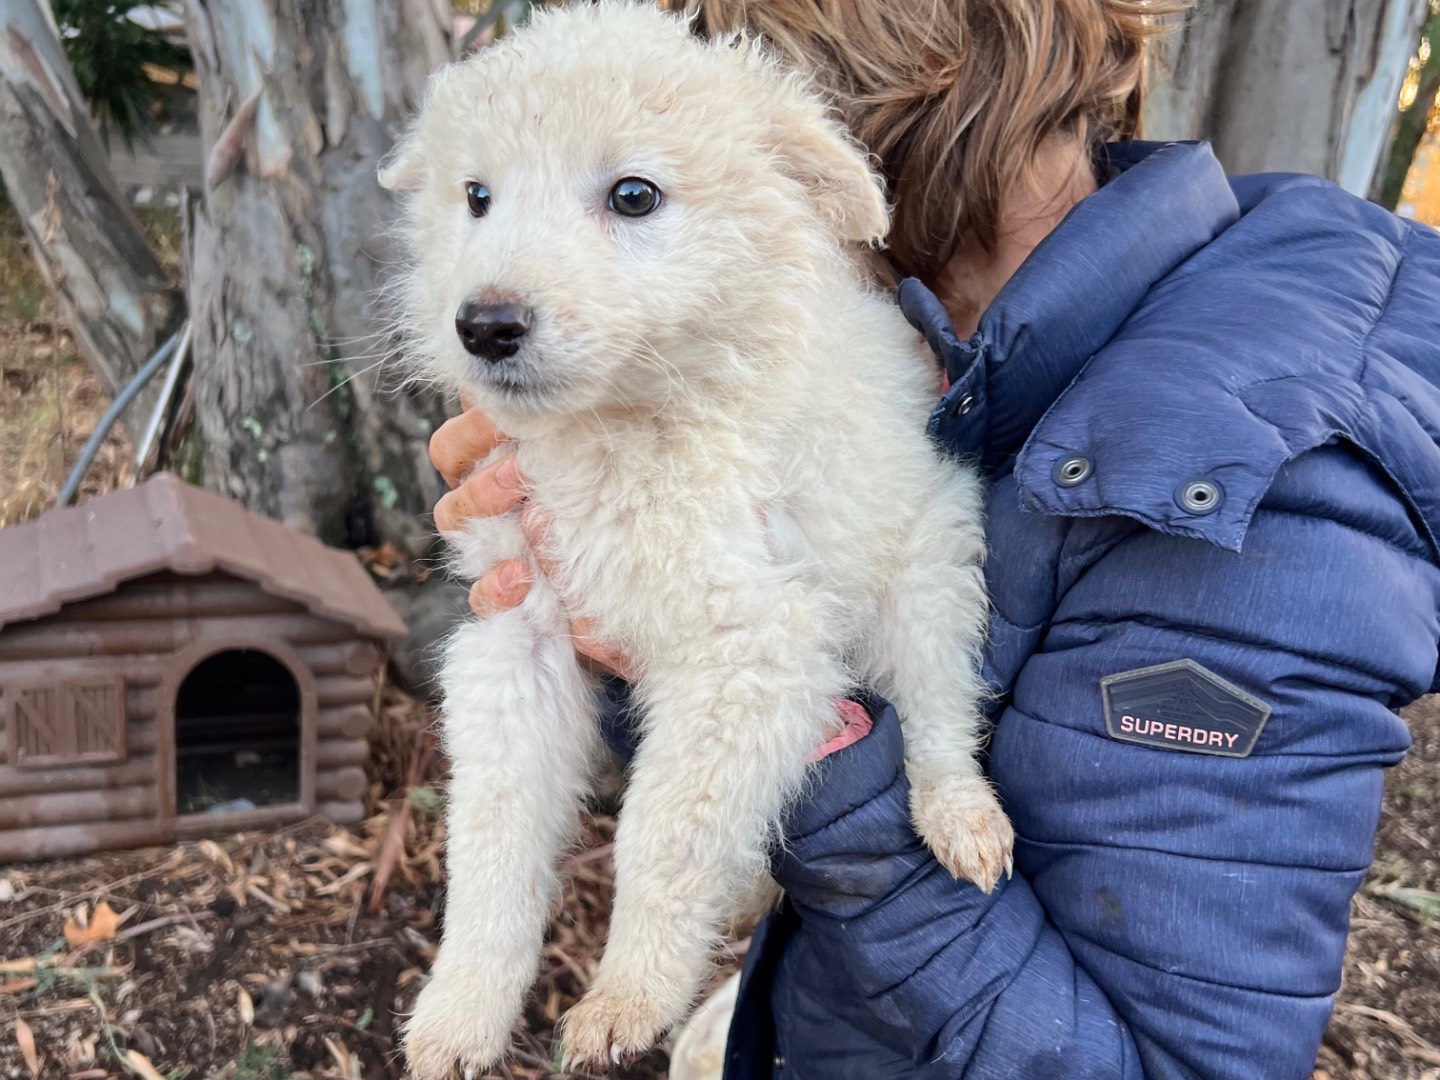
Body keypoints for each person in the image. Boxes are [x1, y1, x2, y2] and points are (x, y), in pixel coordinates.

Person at [426, 0, 1440, 1076]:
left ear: (826, 146)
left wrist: (834, 779)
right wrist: (621, 613)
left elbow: (1172, 1063)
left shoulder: (1263, 492)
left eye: (638, 190)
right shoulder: (932, 351)